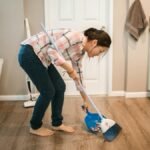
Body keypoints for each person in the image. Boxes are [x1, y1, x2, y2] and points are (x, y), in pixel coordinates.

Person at [18, 27, 111, 136]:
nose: (98, 55)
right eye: (100, 51)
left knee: (60, 86)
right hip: (30, 53)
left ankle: (56, 123)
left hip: (43, 57)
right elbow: (51, 51)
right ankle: (35, 126)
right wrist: (69, 69)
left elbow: (79, 76)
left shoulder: (80, 53)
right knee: (48, 91)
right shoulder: (75, 37)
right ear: (94, 43)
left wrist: (85, 99)